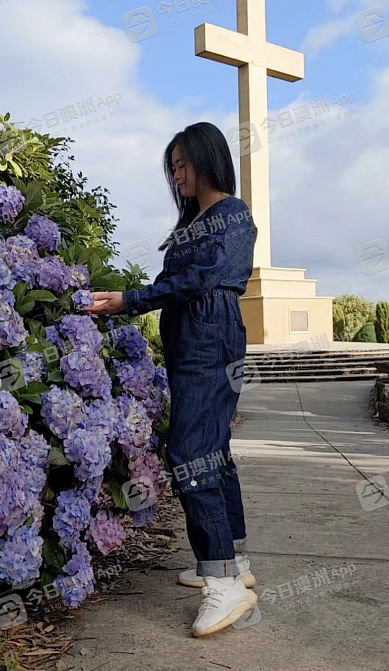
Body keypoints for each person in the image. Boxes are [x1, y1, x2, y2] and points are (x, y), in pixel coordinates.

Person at [83, 122, 259, 637]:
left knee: (189, 453)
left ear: (207, 161)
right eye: (172, 167)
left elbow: (200, 280)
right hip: (192, 343)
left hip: (212, 341)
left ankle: (223, 584)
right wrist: (123, 298)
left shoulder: (232, 214)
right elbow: (171, 283)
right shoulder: (193, 221)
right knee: (213, 450)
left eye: (182, 164)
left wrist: (129, 300)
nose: (176, 174)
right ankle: (236, 561)